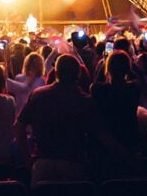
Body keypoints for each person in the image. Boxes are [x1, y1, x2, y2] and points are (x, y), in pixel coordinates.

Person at [15, 53, 119, 183]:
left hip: (43, 163)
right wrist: (125, 156)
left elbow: (19, 127)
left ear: (56, 72)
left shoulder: (39, 95)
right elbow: (102, 135)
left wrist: (28, 159)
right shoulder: (84, 101)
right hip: (74, 164)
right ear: (78, 75)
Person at [91, 49, 144, 169]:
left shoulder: (98, 90)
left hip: (106, 144)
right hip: (129, 140)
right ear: (127, 68)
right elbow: (137, 77)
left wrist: (105, 64)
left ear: (108, 68)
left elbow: (95, 82)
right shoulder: (133, 88)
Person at [11, 51, 46, 116]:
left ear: (26, 64)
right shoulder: (41, 81)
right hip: (35, 116)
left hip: (19, 114)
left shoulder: (18, 78)